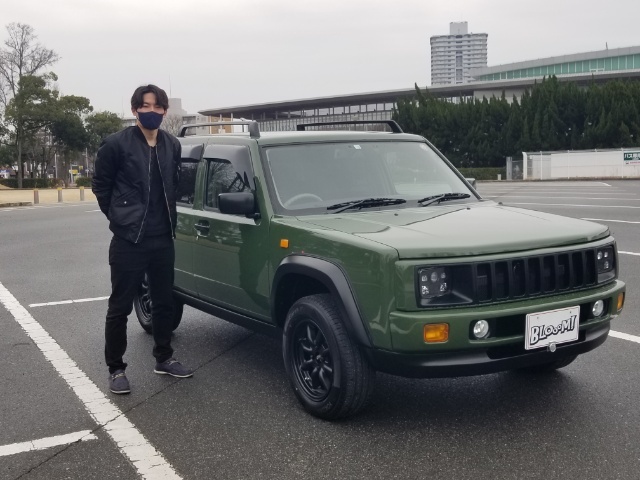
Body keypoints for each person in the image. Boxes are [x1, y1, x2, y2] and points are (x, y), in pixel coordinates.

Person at [92, 84, 193, 395]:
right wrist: (119, 218)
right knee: (120, 306)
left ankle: (164, 357)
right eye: (145, 106)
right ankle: (116, 368)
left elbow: (174, 184)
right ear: (135, 110)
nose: (152, 112)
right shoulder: (116, 145)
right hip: (129, 240)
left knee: (164, 302)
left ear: (165, 110)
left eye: (158, 107)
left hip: (162, 237)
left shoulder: (171, 145)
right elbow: (101, 186)